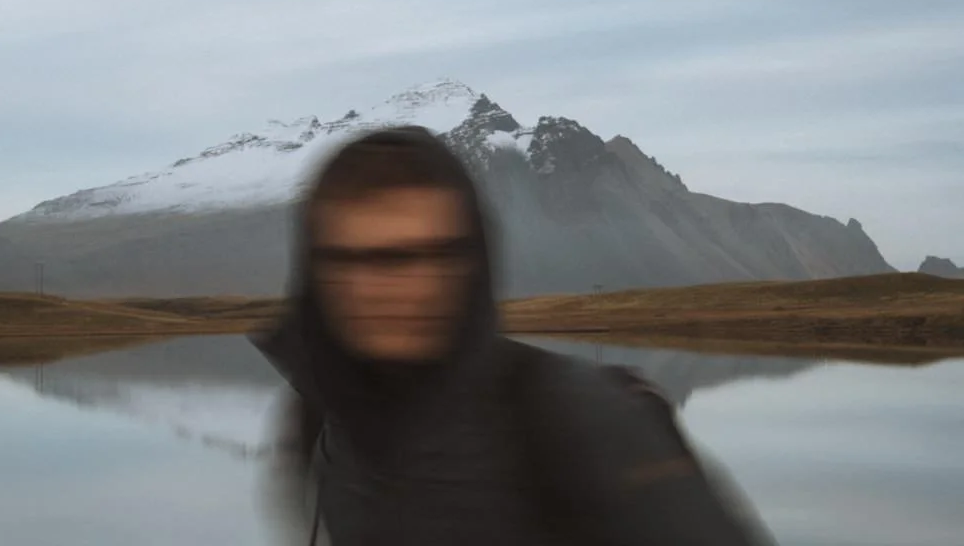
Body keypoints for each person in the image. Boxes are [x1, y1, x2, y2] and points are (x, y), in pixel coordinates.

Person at [254, 125, 765, 545]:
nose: (406, 286)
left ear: (473, 260)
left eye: (437, 253)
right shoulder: (317, 419)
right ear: (318, 275)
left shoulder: (589, 421)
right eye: (367, 259)